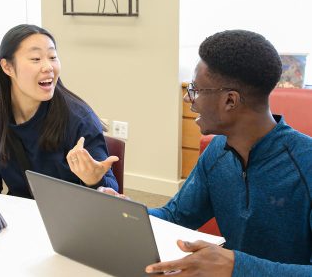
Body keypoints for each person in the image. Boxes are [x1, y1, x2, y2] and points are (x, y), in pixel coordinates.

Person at [101, 30, 312, 276]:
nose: (189, 98)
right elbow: (175, 216)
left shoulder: (305, 165)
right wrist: (126, 210)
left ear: (230, 101)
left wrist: (236, 266)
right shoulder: (217, 152)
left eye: (196, 89)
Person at [0, 24, 118, 198]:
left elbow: (112, 190)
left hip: (69, 217)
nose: (48, 67)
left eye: (52, 57)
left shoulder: (78, 118)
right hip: (22, 215)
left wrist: (93, 180)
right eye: (36, 59)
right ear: (7, 67)